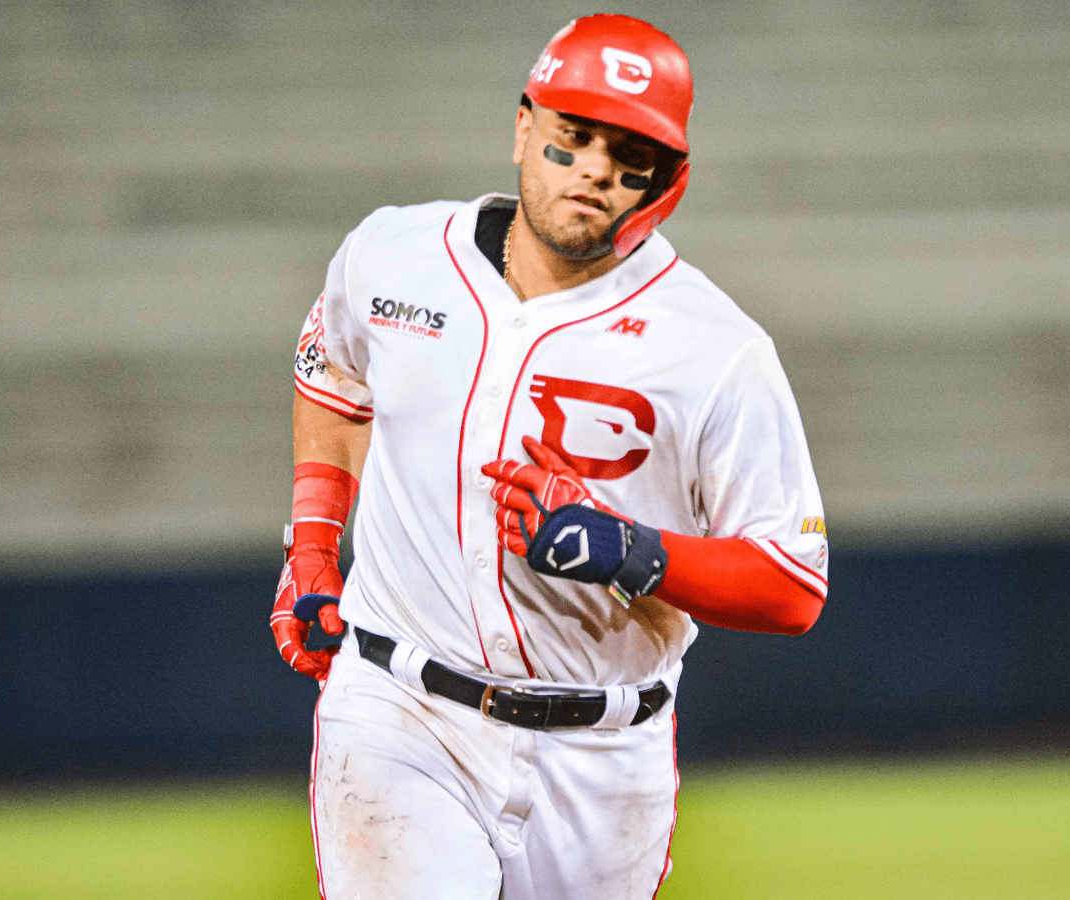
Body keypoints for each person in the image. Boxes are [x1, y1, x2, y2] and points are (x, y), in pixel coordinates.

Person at [271, 13, 829, 900]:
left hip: (604, 758)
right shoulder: (395, 257)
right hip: (400, 713)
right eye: (575, 136)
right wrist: (310, 547)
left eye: (629, 154)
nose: (597, 168)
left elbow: (792, 584)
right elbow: (333, 379)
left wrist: (632, 552)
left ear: (666, 178)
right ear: (524, 126)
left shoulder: (715, 349)